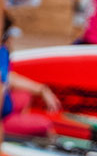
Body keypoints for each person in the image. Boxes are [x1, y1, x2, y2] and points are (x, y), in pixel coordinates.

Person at [1, 15, 61, 149]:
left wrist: (42, 89)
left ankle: (20, 136)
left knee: (24, 96)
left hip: (6, 109)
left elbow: (9, 77)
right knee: (45, 125)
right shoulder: (2, 53)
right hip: (3, 118)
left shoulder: (3, 52)